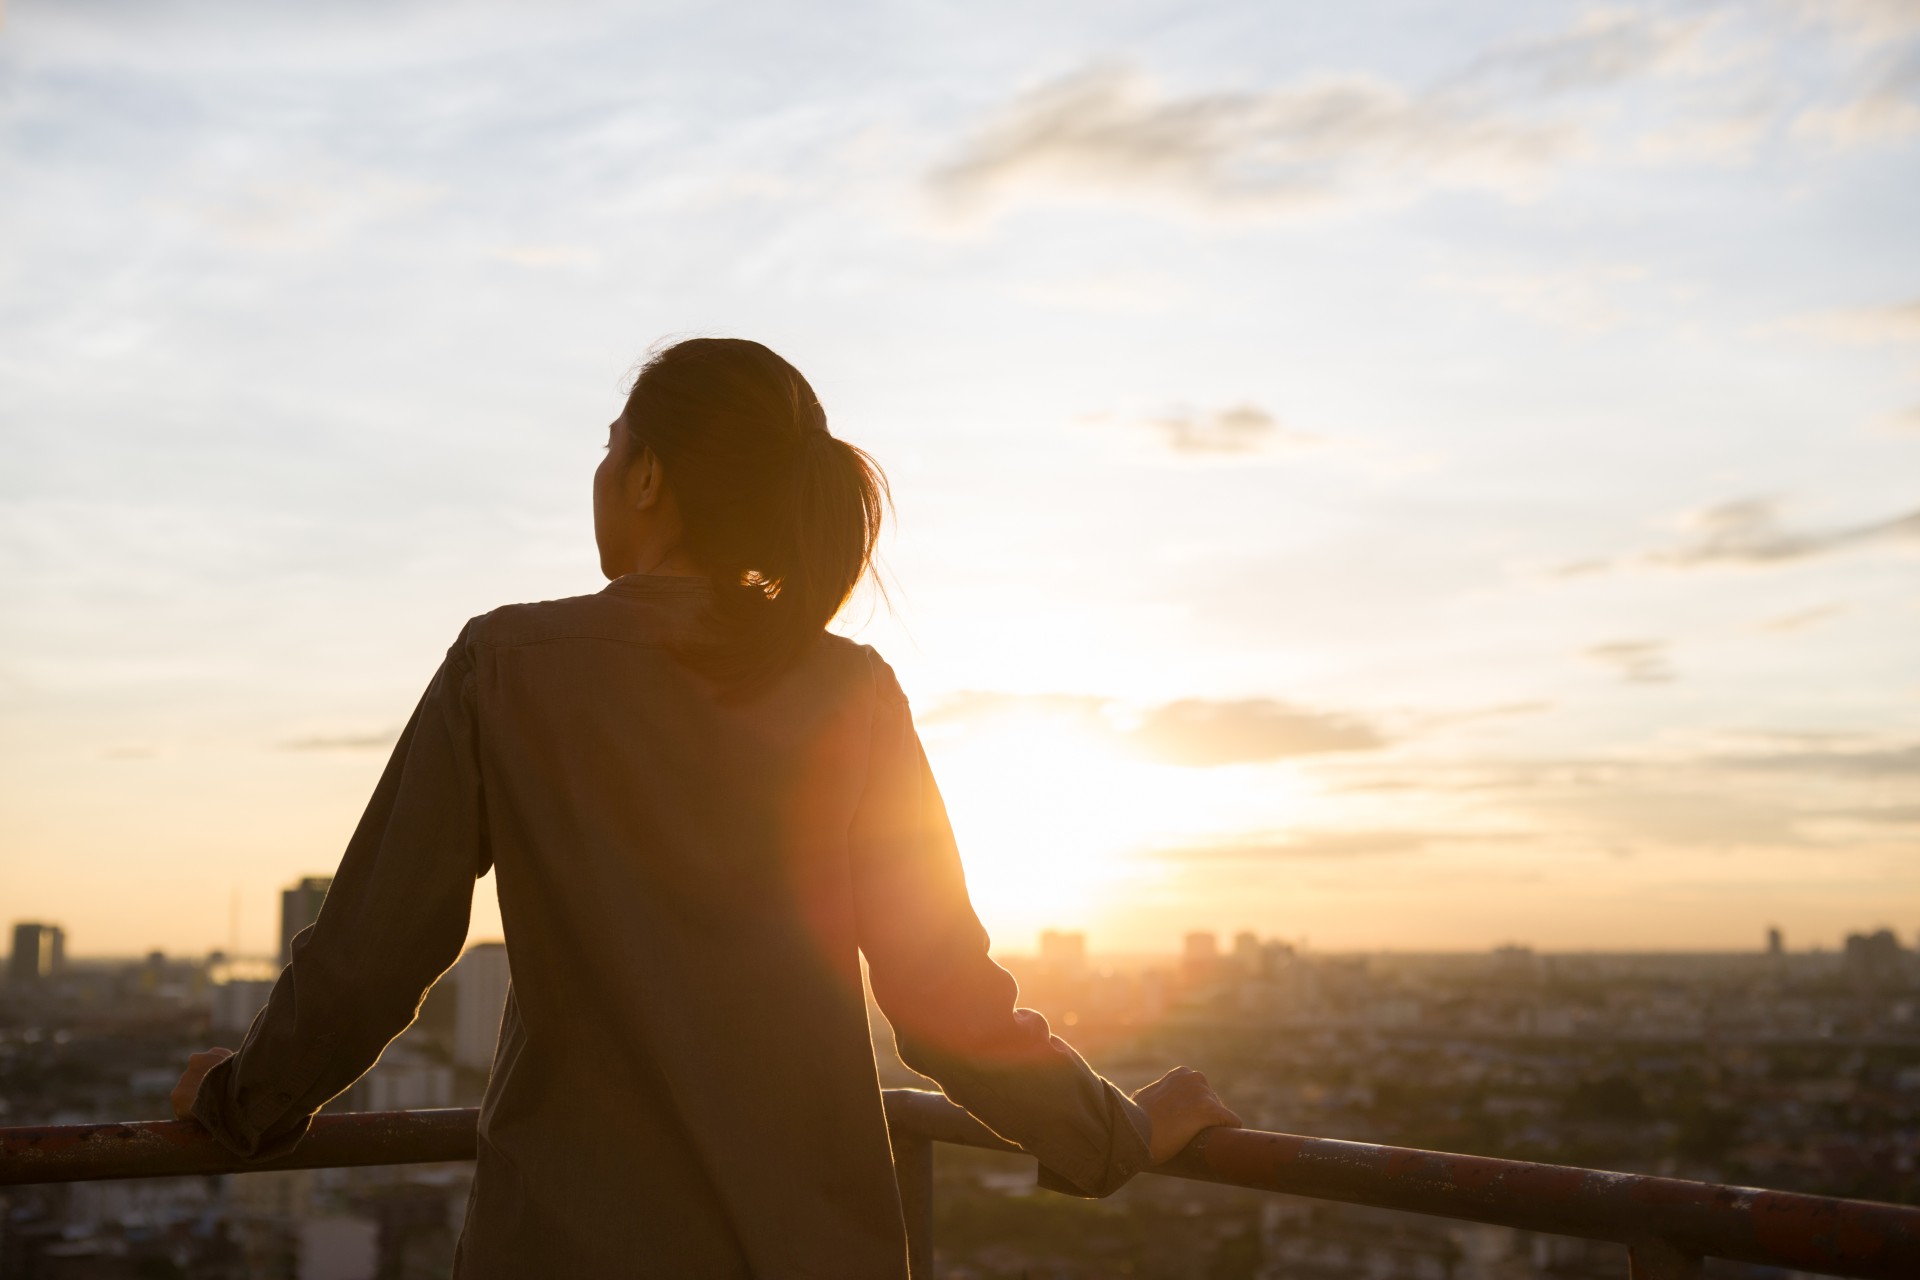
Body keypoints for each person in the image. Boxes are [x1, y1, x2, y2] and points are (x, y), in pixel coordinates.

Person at [171, 337, 1240, 1277]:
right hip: (814, 1247)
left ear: (648, 479)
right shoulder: (851, 692)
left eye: (609, 445)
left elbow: (372, 952)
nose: (597, 472)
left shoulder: (508, 666)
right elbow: (944, 996)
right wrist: (1116, 1133)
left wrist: (242, 1101)